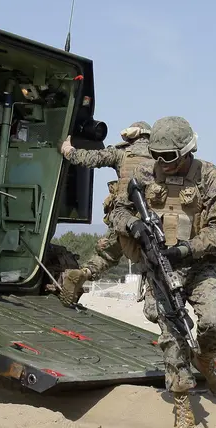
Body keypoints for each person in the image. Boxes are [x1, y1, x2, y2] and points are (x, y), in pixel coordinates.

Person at [107, 115, 216, 428]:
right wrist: (133, 225)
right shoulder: (143, 173)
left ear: (187, 151)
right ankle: (183, 415)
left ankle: (206, 360)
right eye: (158, 156)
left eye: (170, 157)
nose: (163, 164)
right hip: (158, 267)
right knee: (173, 334)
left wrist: (186, 249)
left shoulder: (210, 177)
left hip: (198, 264)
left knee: (214, 321)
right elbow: (118, 211)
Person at [55, 121, 155, 305]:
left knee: (106, 256)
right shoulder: (161, 157)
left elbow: (90, 159)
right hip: (152, 222)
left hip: (123, 219)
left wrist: (68, 150)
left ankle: (83, 273)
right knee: (155, 263)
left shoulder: (122, 153)